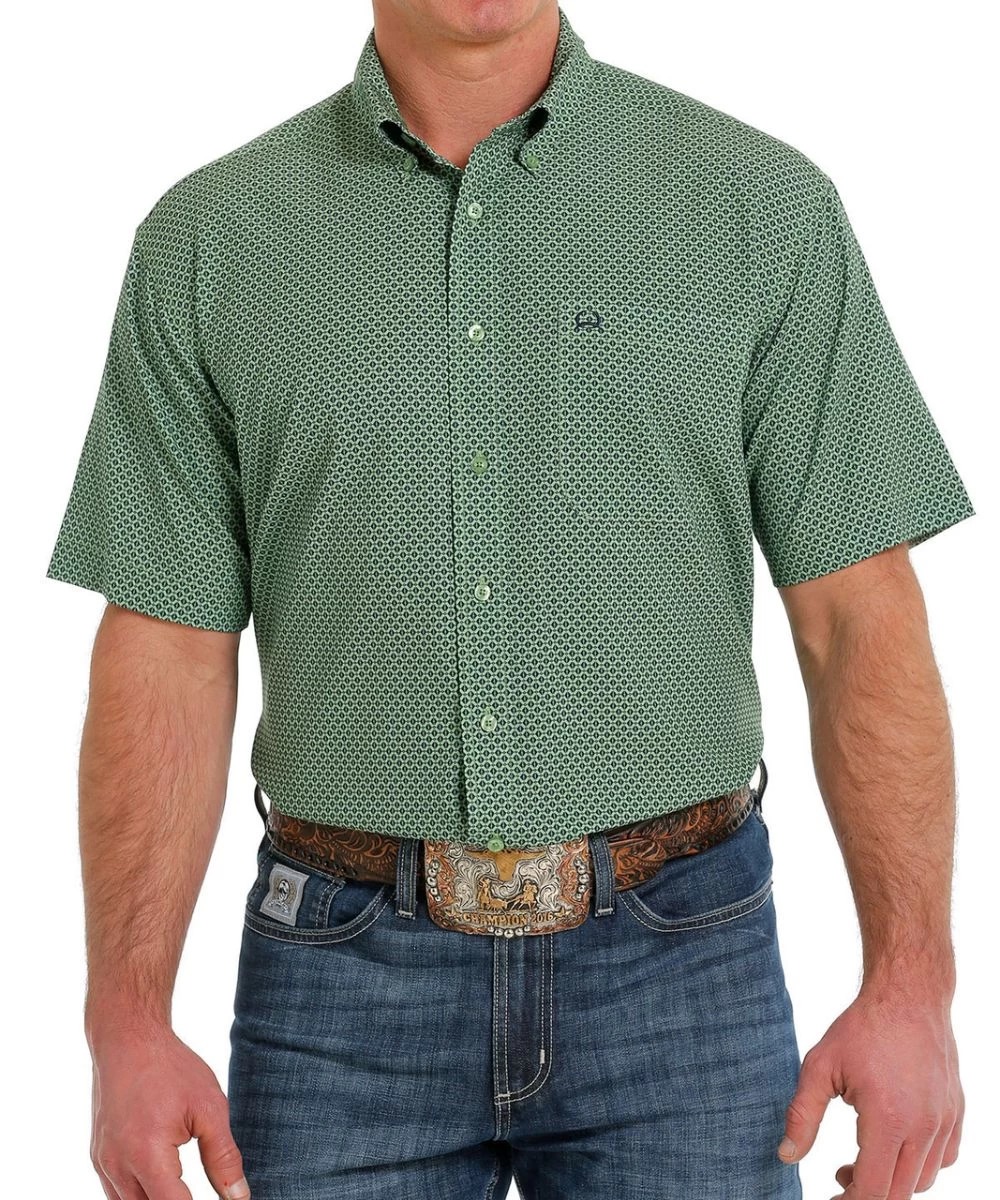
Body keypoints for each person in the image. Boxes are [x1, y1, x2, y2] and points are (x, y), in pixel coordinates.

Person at [48, 3, 974, 1198]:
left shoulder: (757, 207)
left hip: (683, 974)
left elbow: (857, 620)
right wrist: (124, 1021)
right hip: (337, 988)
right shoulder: (210, 240)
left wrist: (911, 987)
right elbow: (165, 647)